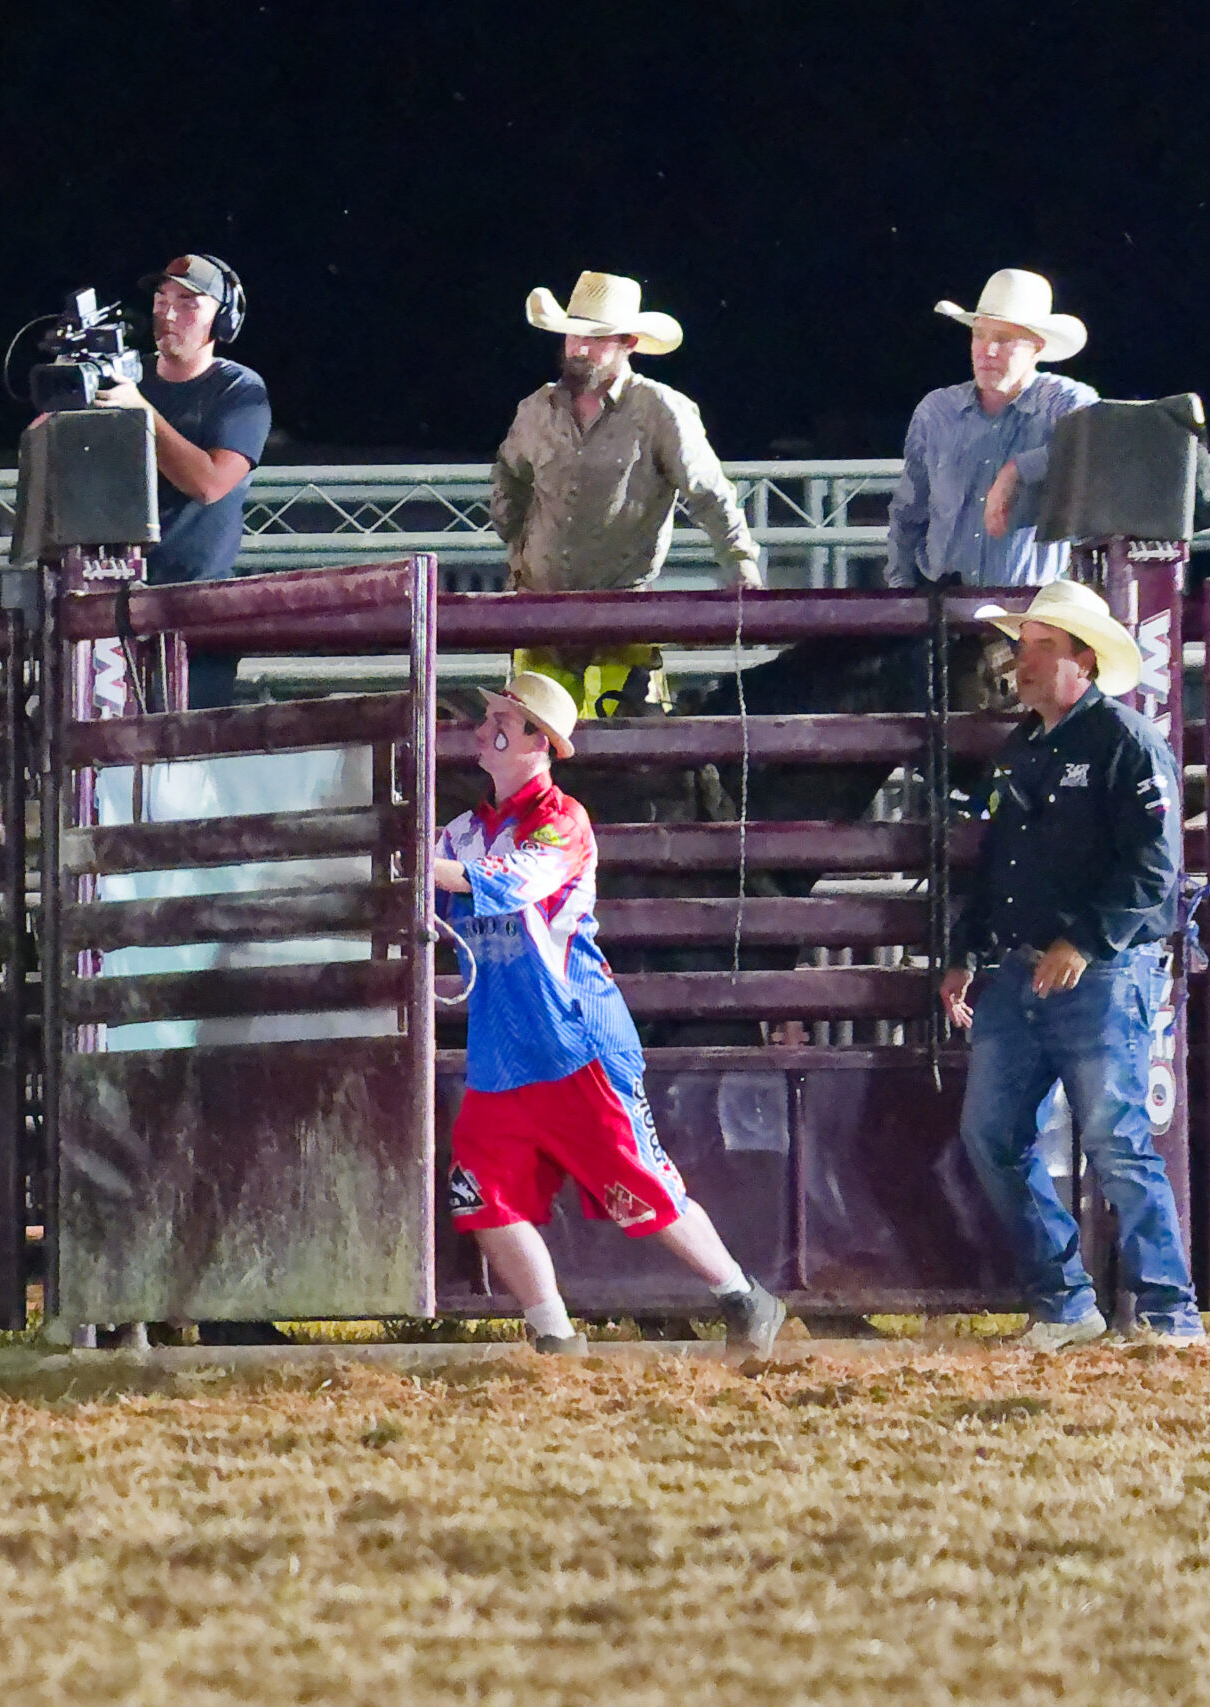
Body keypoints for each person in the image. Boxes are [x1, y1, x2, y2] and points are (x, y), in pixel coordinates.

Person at [433, 670, 788, 1358]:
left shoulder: (563, 822)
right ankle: (554, 1336)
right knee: (481, 1196)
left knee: (642, 1186)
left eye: (500, 718)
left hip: (575, 1040)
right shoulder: (462, 832)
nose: (482, 729)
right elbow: (437, 890)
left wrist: (417, 866)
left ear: (540, 741)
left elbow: (507, 887)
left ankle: (742, 1295)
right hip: (503, 1050)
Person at [939, 581, 1201, 1348]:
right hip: (1027, 969)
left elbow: (1157, 865)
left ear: (1082, 661)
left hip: (1101, 971)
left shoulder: (1123, 742)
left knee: (1113, 1137)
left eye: (1041, 647)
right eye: (1023, 647)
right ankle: (1067, 1302)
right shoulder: (1024, 748)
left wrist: (1085, 940)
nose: (1023, 661)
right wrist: (964, 950)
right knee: (993, 1135)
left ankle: (1165, 1310)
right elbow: (997, 867)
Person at [490, 271, 760, 719]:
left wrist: (740, 562)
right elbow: (510, 475)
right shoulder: (536, 410)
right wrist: (517, 548)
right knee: (538, 743)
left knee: (622, 759)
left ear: (628, 342)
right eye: (575, 335)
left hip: (621, 612)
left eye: (596, 339)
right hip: (540, 609)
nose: (579, 348)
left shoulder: (660, 411)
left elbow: (709, 492)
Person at [95, 254, 270, 709]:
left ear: (223, 320)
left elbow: (210, 484)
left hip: (197, 609)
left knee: (183, 759)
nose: (168, 314)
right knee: (100, 758)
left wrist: (140, 414)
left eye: (189, 302)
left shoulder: (240, 391)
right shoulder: (121, 381)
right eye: (161, 298)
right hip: (109, 602)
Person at [887, 270, 1097, 590]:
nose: (987, 350)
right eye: (979, 335)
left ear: (1036, 347)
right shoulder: (937, 411)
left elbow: (1099, 444)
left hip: (1029, 615)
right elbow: (908, 516)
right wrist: (901, 595)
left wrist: (1017, 470)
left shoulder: (1065, 403)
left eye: (1003, 339)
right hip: (941, 608)